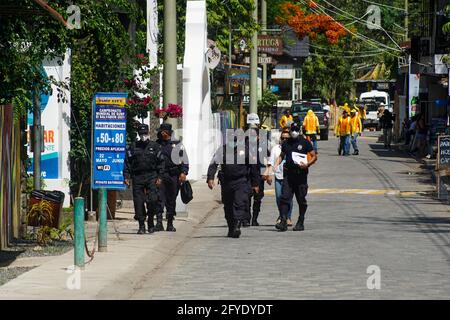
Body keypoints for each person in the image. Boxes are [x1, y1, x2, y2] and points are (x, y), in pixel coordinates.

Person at [207, 134, 260, 238]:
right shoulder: (222, 150)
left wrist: (255, 184)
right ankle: (231, 227)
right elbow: (213, 164)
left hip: (241, 181)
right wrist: (210, 178)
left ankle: (237, 225)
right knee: (228, 205)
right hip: (226, 182)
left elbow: (253, 168)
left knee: (239, 203)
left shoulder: (245, 150)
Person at [272, 123, 317, 231]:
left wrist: (307, 164)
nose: (294, 132)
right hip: (288, 175)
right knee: (284, 198)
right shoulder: (286, 143)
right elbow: (282, 155)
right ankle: (283, 220)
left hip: (301, 175)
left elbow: (314, 156)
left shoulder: (305, 142)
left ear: (299, 130)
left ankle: (301, 221)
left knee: (301, 199)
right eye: (293, 130)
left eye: (296, 130)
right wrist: (276, 164)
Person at [124, 124, 165, 234]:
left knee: (152, 200)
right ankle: (141, 225)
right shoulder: (133, 147)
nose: (143, 136)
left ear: (148, 133)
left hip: (152, 176)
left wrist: (160, 177)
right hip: (137, 177)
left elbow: (161, 163)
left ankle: (150, 222)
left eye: (145, 134)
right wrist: (126, 177)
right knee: (138, 202)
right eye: (141, 134)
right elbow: (127, 163)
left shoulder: (155, 146)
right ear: (138, 134)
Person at [156, 123, 189, 232]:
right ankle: (159, 223)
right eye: (161, 131)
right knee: (159, 199)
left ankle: (170, 223)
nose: (161, 133)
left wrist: (184, 172)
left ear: (168, 132)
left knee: (171, 200)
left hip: (173, 175)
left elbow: (185, 160)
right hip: (160, 175)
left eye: (163, 131)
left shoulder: (177, 144)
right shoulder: (157, 144)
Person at [265, 130, 294, 226]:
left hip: (289, 177)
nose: (285, 139)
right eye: (283, 138)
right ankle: (282, 215)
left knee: (288, 198)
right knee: (278, 197)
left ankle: (287, 217)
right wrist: (269, 174)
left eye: (287, 138)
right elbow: (271, 162)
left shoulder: (292, 147)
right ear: (280, 139)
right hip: (278, 176)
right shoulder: (275, 149)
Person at [245, 128, 268, 227]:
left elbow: (267, 161)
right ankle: (246, 219)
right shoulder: (244, 147)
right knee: (246, 199)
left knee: (257, 199)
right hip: (247, 177)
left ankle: (254, 219)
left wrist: (267, 174)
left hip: (259, 177)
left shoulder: (263, 147)